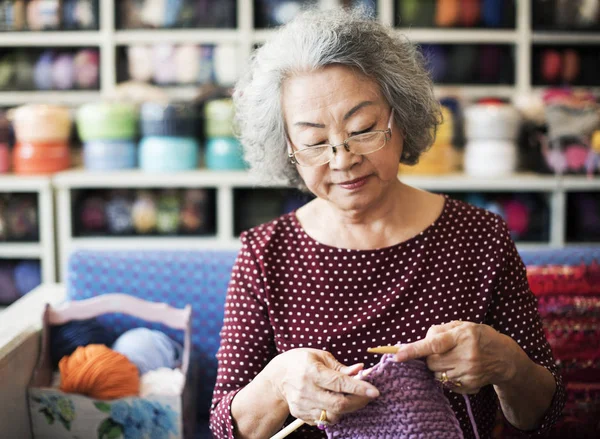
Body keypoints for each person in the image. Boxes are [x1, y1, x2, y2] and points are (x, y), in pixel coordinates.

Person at [210, 7, 565, 439]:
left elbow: (541, 414)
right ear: (286, 148)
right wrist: (278, 383)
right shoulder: (266, 254)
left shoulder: (479, 238)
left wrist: (507, 363)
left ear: (402, 117)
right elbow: (225, 427)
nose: (343, 160)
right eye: (315, 142)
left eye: (362, 129)